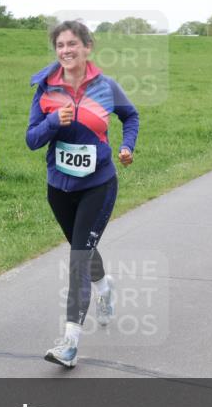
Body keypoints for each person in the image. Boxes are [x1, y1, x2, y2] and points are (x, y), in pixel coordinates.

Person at [27, 20, 139, 368]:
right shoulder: (45, 89)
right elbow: (32, 140)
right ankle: (105, 288)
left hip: (98, 185)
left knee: (78, 257)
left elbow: (130, 116)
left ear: (88, 47)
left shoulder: (106, 87)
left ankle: (69, 342)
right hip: (59, 188)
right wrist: (52, 123)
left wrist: (126, 145)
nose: (66, 51)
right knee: (83, 249)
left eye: (72, 44)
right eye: (60, 45)